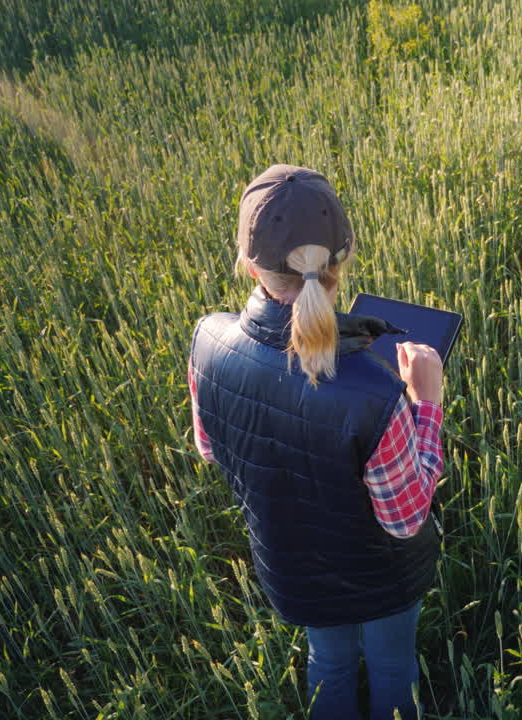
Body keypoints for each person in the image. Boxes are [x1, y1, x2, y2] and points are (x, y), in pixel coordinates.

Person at [187, 164, 444, 720]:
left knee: (326, 664)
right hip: (383, 577)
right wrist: (424, 404)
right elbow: (404, 518)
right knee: (392, 667)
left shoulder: (206, 340)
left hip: (291, 567)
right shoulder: (377, 395)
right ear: (341, 258)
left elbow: (210, 448)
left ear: (249, 262)